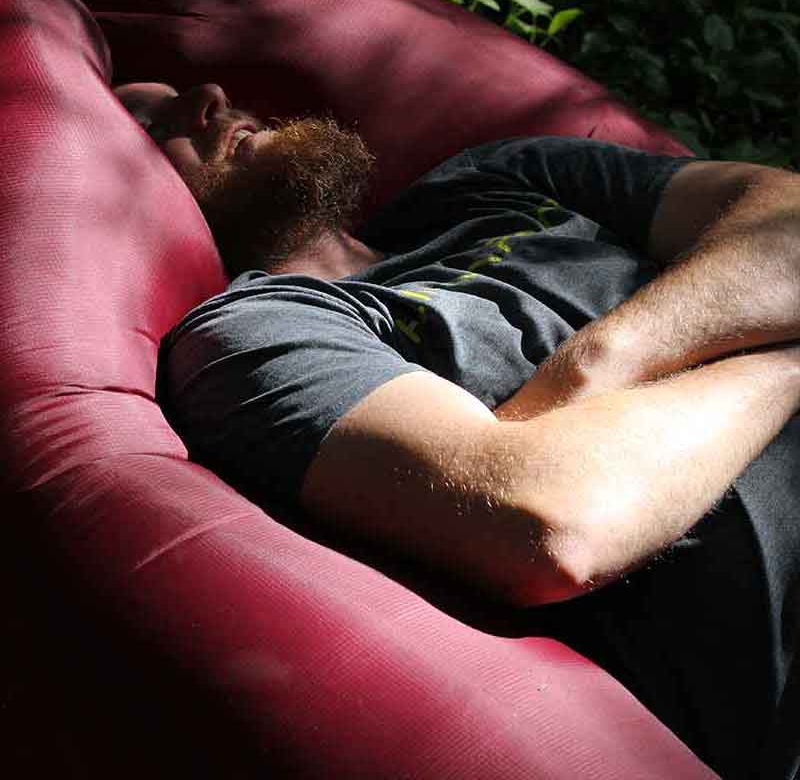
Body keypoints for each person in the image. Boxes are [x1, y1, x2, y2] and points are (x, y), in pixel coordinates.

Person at [114, 81, 800, 780]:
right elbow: (555, 522)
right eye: (150, 123)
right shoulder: (255, 333)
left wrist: (598, 363)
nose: (209, 97)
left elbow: (788, 220)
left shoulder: (494, 177)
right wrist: (786, 359)